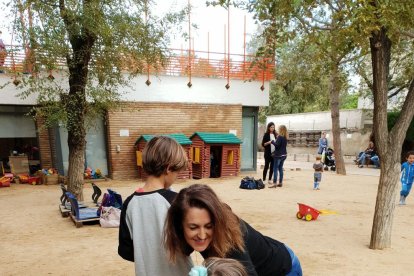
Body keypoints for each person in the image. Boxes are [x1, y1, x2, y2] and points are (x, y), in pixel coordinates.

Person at [164, 184, 302, 276]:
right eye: (193, 227)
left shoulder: (230, 244)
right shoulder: (180, 224)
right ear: (179, 225)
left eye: (209, 226)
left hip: (283, 267)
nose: (201, 235)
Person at [118, 136, 193, 275]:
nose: (176, 177)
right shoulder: (176, 201)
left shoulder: (129, 203)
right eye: (177, 172)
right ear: (169, 169)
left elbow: (126, 251)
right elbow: (188, 246)